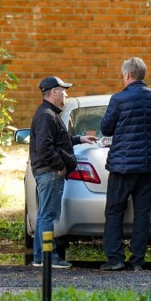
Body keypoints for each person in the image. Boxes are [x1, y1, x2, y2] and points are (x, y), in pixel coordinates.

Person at [99, 57, 151, 271]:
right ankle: (137, 261)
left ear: (127, 75)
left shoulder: (118, 99)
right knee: (142, 213)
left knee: (115, 210)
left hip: (123, 165)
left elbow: (106, 128)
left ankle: (115, 258)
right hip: (148, 165)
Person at [29, 75, 96, 268]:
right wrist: (60, 166)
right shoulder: (46, 116)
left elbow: (58, 140)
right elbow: (44, 148)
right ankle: (50, 257)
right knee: (48, 215)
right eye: (64, 90)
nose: (66, 94)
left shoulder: (49, 113)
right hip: (50, 172)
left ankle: (40, 256)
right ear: (54, 92)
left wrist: (80, 139)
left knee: (44, 214)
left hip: (48, 171)